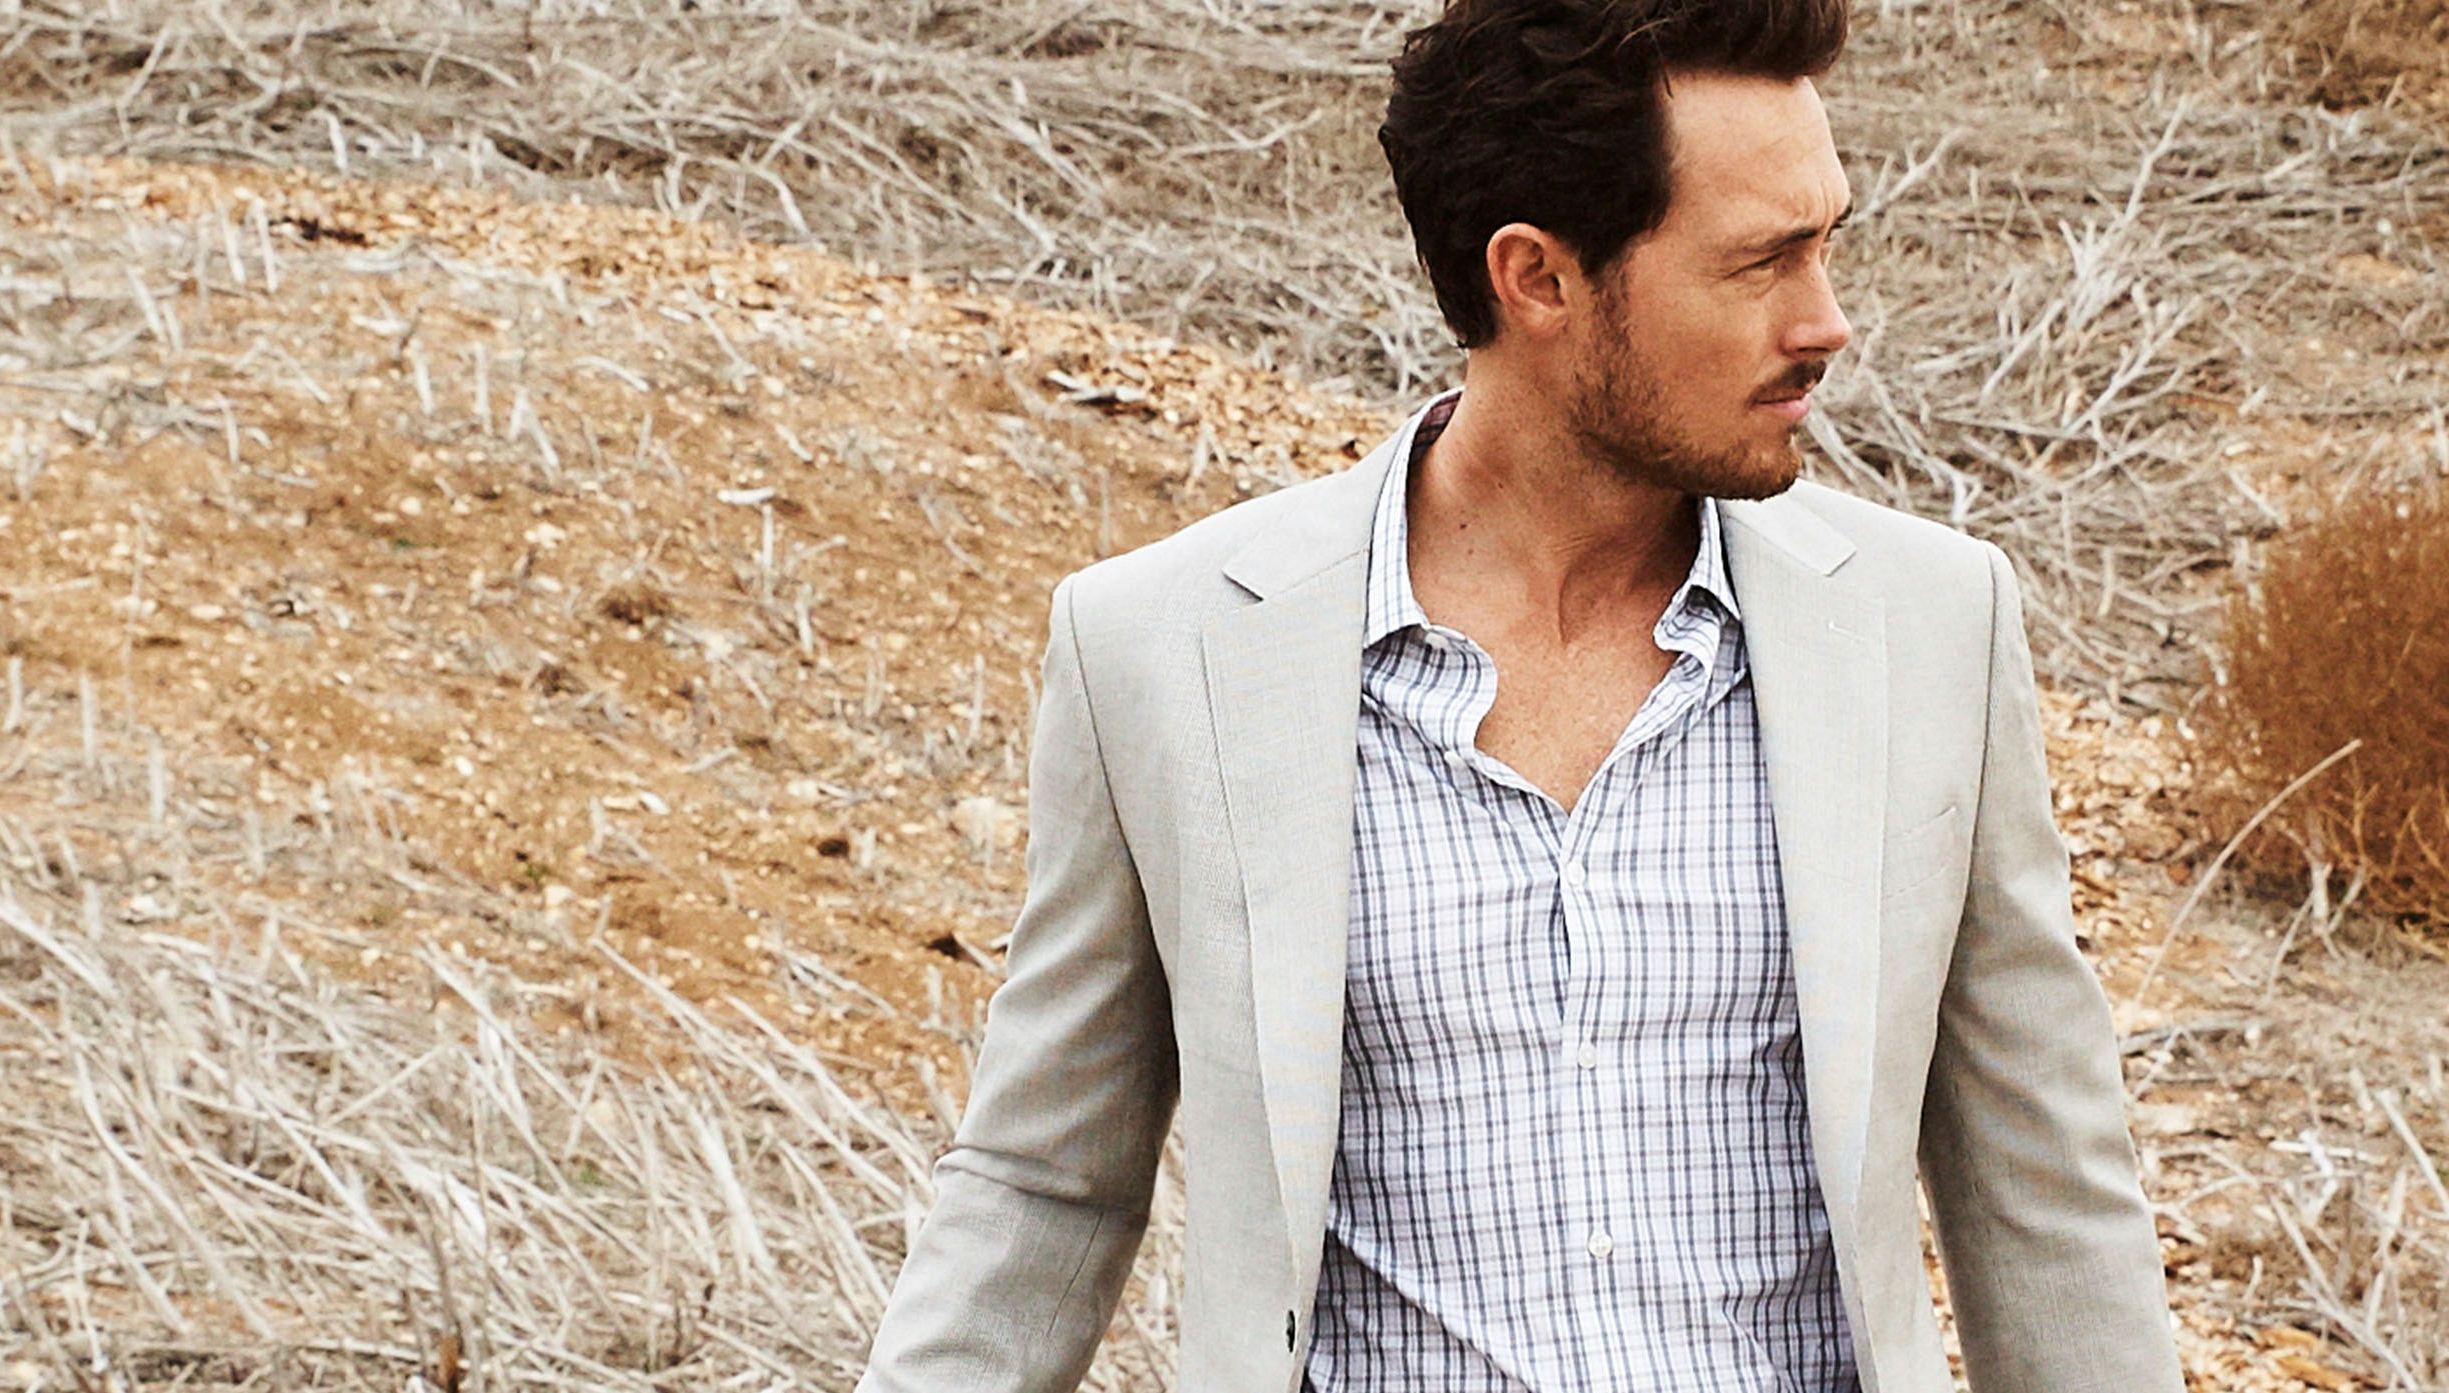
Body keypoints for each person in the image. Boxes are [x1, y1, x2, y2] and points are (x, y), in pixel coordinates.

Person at [856, 0, 2178, 1387]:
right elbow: (1041, 1181)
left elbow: (2046, 1192)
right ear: (1536, 278)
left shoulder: (1929, 625)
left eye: (1825, 243)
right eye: (1760, 263)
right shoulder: (1163, 647)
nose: (1824, 321)